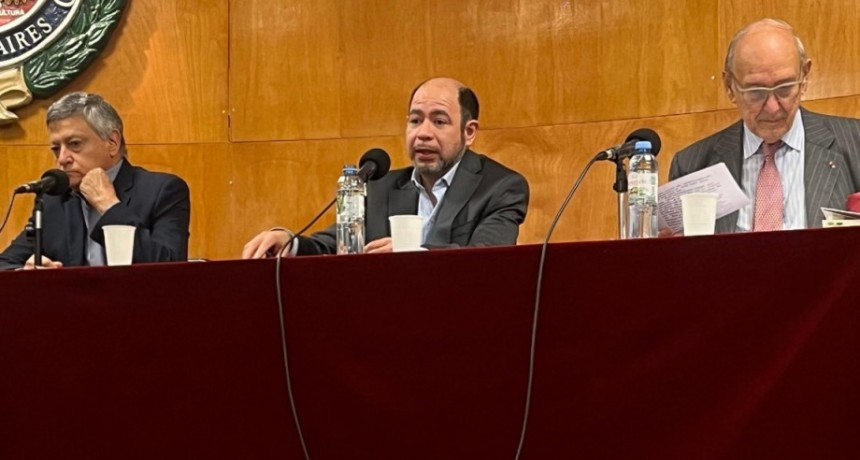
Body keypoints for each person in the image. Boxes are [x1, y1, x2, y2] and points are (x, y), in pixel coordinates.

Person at [243, 77, 529, 257]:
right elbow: (338, 245)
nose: (423, 133)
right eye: (415, 120)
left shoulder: (500, 187)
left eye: (439, 122)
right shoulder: (380, 186)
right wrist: (289, 243)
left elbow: (488, 256)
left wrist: (413, 253)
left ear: (469, 132)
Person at [670, 18, 860, 233]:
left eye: (784, 88)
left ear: (804, 77)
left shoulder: (855, 144)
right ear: (730, 87)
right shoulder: (693, 166)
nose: (772, 107)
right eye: (755, 92)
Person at [0, 92, 191, 270]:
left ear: (112, 143)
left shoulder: (162, 191)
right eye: (56, 148)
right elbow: (5, 264)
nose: (62, 158)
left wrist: (109, 206)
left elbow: (170, 269)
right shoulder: (54, 201)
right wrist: (26, 271)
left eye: (75, 144)